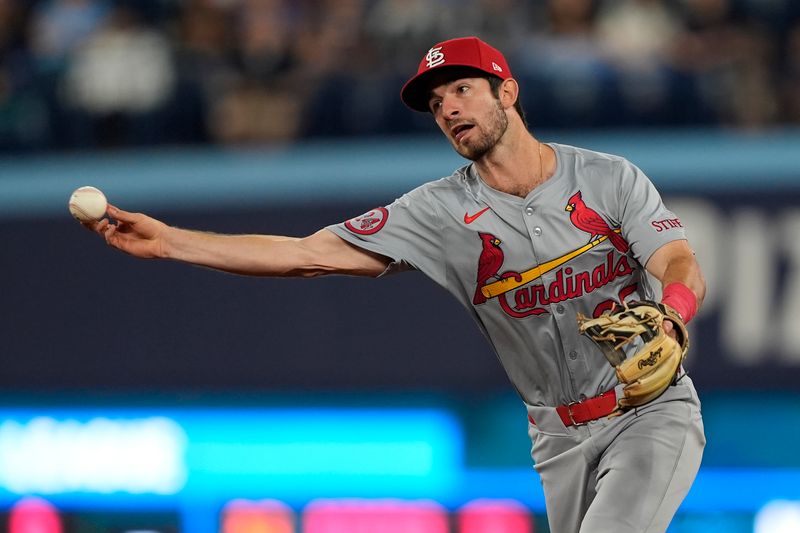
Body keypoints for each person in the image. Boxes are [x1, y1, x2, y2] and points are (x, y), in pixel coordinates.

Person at [86, 36, 706, 533]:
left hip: (648, 410)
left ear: (507, 91)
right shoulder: (437, 212)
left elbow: (678, 261)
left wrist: (673, 315)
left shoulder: (607, 178)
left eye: (462, 90)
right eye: (437, 104)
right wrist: (170, 241)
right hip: (557, 438)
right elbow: (308, 254)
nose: (451, 110)